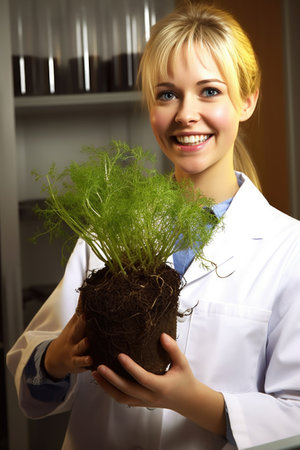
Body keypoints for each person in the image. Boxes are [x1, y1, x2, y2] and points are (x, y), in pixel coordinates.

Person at [7, 1, 300, 449]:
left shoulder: (288, 248)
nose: (185, 114)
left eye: (209, 91)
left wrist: (193, 400)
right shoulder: (108, 234)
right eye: (167, 94)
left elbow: (294, 414)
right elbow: (31, 388)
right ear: (151, 107)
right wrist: (56, 360)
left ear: (247, 100)